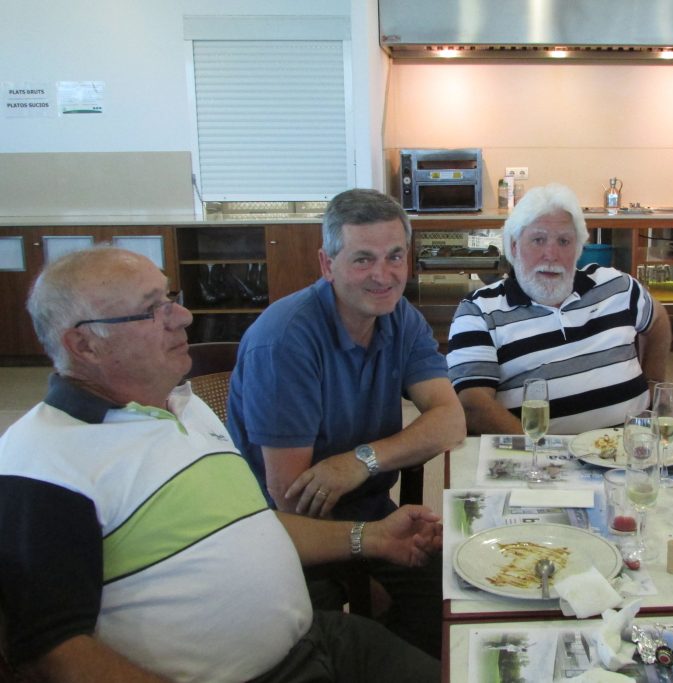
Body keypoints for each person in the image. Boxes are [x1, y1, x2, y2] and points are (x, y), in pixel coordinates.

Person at [0, 246, 442, 682]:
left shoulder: (185, 406)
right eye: (151, 310)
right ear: (85, 344)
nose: (183, 316)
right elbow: (56, 655)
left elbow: (253, 524)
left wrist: (372, 537)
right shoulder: (43, 462)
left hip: (317, 642)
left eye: (170, 297)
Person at [227, 188, 465, 657]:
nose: (383, 275)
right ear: (327, 264)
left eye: (395, 256)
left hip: (372, 518)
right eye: (362, 260)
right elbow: (292, 496)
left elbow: (450, 420)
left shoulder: (401, 319)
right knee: (335, 647)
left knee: (459, 594)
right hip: (285, 540)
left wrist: (362, 461)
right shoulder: (286, 341)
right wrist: (364, 572)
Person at [446, 182, 671, 435]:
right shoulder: (479, 311)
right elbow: (473, 406)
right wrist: (542, 451)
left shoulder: (617, 286)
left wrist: (654, 381)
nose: (551, 254)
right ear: (513, 246)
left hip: (632, 446)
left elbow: (658, 320)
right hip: (539, 455)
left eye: (564, 241)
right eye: (538, 240)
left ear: (578, 249)